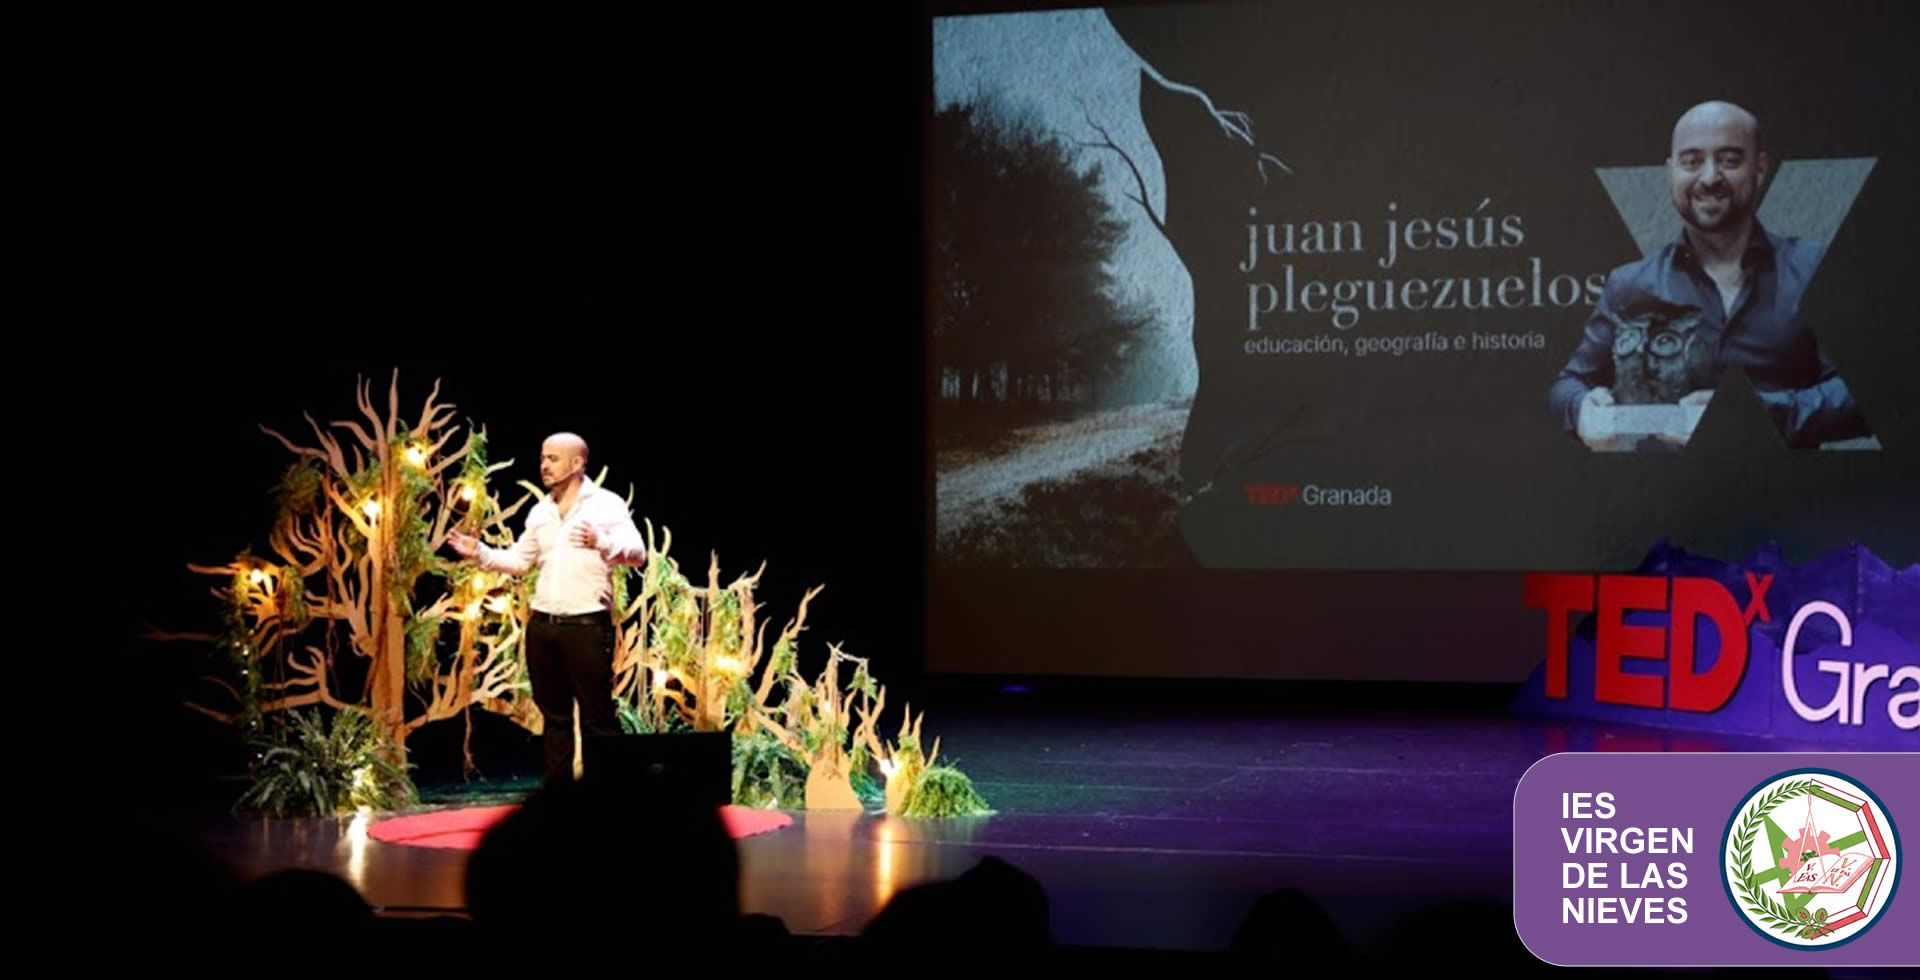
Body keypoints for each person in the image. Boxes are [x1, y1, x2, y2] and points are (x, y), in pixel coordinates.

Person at [1549, 100, 1871, 450]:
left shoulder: (1813, 267)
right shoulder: (1628, 284)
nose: (1709, 178)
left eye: (1729, 160)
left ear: (1760, 169)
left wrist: (1751, 416)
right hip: (1664, 485)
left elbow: (1861, 398)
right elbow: (1569, 384)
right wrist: (1579, 408)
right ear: (1671, 172)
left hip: (1784, 483)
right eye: (1691, 162)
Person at [449, 433, 647, 785]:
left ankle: (609, 797)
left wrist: (602, 541)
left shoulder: (606, 504)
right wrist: (480, 552)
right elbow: (520, 561)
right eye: (543, 458)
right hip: (543, 627)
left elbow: (638, 553)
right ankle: (559, 799)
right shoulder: (541, 512)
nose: (544, 465)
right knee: (554, 719)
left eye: (553, 458)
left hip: (587, 626)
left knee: (597, 718)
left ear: (577, 463)